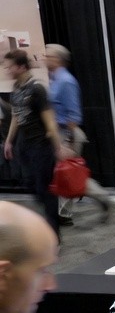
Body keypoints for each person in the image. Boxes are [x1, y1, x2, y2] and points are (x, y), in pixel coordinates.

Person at [43, 44, 113, 225]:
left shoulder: (66, 81)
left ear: (58, 59)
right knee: (65, 173)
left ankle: (73, 210)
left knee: (68, 172)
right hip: (60, 132)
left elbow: (73, 114)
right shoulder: (56, 80)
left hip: (67, 133)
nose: (44, 59)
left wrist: (67, 140)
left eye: (48, 56)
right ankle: (66, 212)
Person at [2, 50, 62, 236]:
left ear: (21, 66)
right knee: (32, 185)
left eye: (10, 66)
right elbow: (16, 116)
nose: (7, 69)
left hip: (40, 146)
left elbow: (49, 120)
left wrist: (58, 147)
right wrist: (9, 142)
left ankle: (54, 233)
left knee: (45, 190)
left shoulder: (37, 89)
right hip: (24, 145)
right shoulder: (17, 89)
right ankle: (48, 221)